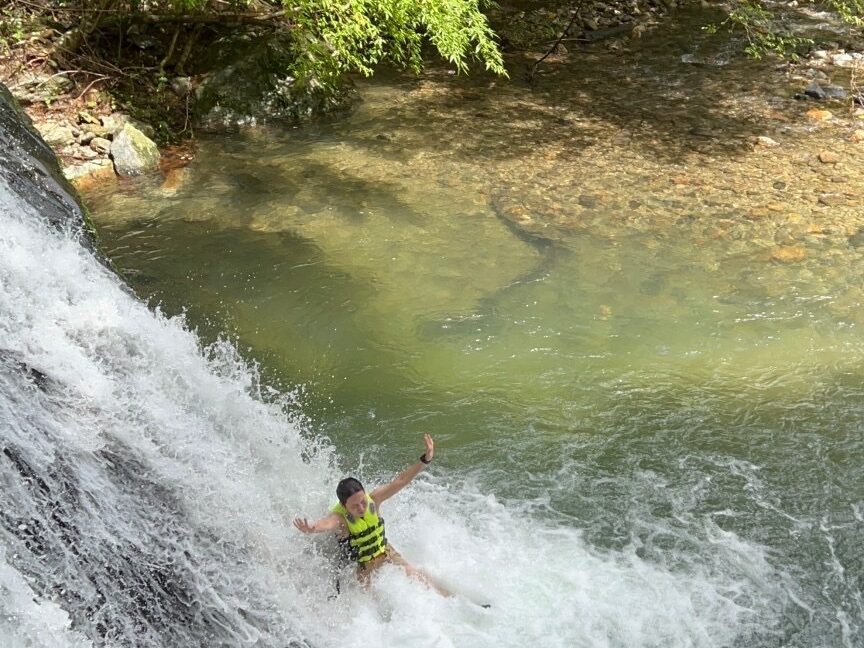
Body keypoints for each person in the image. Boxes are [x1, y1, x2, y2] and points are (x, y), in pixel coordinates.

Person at [293, 433, 450, 597]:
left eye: (363, 501)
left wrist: (425, 459)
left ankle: (452, 601)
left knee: (416, 576)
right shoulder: (339, 518)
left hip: (385, 551)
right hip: (363, 566)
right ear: (343, 506)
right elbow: (325, 524)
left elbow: (401, 480)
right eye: (355, 506)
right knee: (370, 599)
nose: (361, 508)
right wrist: (311, 528)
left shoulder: (374, 499)